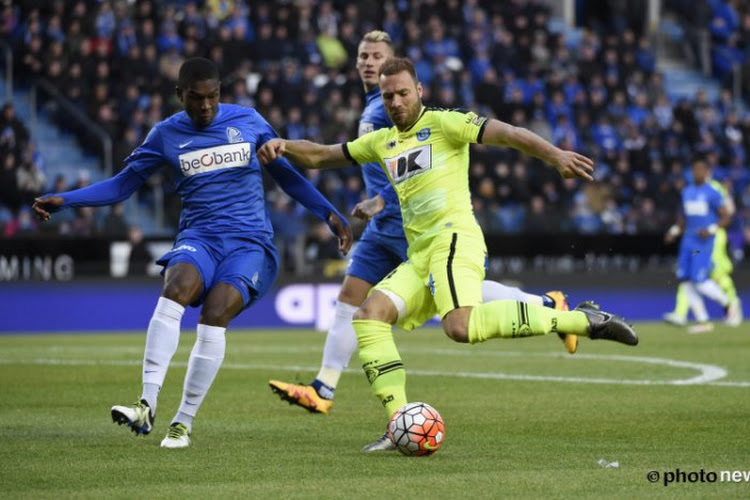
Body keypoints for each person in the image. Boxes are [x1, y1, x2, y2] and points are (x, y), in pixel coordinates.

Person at [258, 57, 638, 451]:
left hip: (454, 238)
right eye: (388, 96)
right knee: (369, 315)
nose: (396, 102)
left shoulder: (444, 123)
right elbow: (321, 155)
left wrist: (555, 155)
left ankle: (581, 320)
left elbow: (507, 133)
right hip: (420, 253)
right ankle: (398, 422)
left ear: (419, 91)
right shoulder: (382, 141)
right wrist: (283, 145)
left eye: (403, 93)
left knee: (459, 326)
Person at [32, 57, 353, 449]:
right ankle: (146, 405)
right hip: (199, 237)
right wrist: (66, 199)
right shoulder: (165, 135)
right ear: (179, 95)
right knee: (176, 286)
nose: (205, 107)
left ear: (221, 93)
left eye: (213, 97)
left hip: (249, 243)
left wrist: (330, 214)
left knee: (215, 312)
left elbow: (287, 176)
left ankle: (182, 422)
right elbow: (121, 186)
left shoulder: (249, 122)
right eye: (196, 98)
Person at [663, 156, 741, 333]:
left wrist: (711, 229)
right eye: (694, 170)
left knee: (698, 280)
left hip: (703, 242)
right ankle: (703, 320)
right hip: (687, 241)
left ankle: (728, 303)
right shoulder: (687, 192)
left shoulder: (712, 192)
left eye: (700, 170)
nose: (697, 173)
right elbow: (683, 218)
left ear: (706, 172)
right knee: (685, 281)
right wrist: (674, 231)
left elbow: (726, 216)